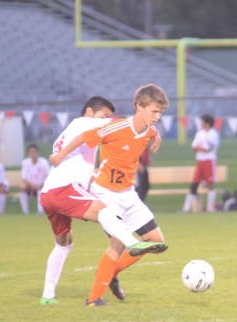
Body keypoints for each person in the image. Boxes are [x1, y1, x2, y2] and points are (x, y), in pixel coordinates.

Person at [50, 83, 170, 307]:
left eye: (160, 112)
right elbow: (85, 136)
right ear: (138, 107)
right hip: (104, 192)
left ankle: (110, 272)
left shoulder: (150, 130)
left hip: (128, 193)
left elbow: (150, 131)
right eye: (154, 111)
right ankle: (94, 298)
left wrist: (156, 134)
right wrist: (60, 155)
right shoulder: (116, 127)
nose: (157, 116)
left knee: (155, 241)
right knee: (118, 244)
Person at [182, 114, 220, 213]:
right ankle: (186, 208)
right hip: (200, 161)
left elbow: (208, 148)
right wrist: (200, 147)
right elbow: (194, 147)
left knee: (210, 184)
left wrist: (201, 147)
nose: (201, 124)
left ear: (207, 123)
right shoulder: (200, 133)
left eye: (202, 122)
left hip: (209, 160)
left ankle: (210, 207)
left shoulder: (213, 134)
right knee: (194, 183)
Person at [20, 144, 50, 214]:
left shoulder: (44, 163)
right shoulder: (25, 163)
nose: (33, 154)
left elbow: (49, 176)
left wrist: (41, 185)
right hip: (30, 187)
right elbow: (24, 177)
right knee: (22, 187)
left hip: (42, 186)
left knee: (41, 189)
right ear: (28, 153)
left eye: (34, 152)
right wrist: (31, 185)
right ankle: (25, 212)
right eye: (31, 152)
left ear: (37, 152)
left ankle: (40, 212)